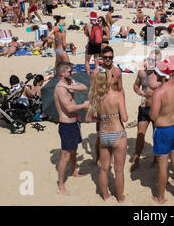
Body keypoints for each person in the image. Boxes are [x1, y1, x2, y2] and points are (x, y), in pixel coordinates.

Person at [86, 68, 128, 203]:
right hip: (118, 134)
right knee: (119, 170)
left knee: (104, 168)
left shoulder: (97, 97)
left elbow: (89, 118)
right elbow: (125, 118)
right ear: (109, 80)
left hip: (104, 134)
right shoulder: (118, 95)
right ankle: (120, 197)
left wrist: (101, 118)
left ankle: (105, 195)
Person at [150, 60, 174, 204]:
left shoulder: (159, 92)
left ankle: (161, 197)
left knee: (163, 165)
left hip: (163, 129)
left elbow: (153, 116)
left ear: (159, 74)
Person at [54, 62, 89, 195]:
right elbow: (69, 108)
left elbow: (84, 87)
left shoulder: (68, 83)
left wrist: (70, 85)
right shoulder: (60, 89)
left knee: (74, 150)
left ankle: (74, 171)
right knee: (65, 155)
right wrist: (84, 105)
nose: (72, 73)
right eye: (69, 71)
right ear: (62, 73)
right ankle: (61, 184)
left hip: (74, 123)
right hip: (66, 125)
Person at [90, 46, 124, 164]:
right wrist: (94, 110)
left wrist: (122, 105)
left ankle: (112, 156)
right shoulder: (96, 73)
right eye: (105, 57)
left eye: (110, 57)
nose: (108, 59)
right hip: (101, 108)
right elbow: (92, 92)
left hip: (114, 106)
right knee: (100, 135)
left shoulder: (117, 72)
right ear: (101, 58)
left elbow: (121, 90)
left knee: (116, 133)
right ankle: (99, 158)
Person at [130, 50, 162, 171]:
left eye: (154, 60)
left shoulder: (160, 76)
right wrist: (138, 91)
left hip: (156, 109)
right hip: (144, 107)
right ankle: (136, 158)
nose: (151, 62)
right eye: (149, 59)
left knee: (156, 135)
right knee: (140, 134)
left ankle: (156, 158)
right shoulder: (142, 73)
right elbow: (135, 85)